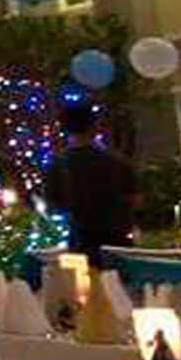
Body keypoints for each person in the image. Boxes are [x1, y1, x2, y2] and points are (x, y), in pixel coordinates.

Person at [42, 104, 139, 260]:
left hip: (80, 244)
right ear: (94, 127)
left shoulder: (57, 166)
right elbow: (134, 199)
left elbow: (52, 206)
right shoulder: (117, 163)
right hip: (117, 243)